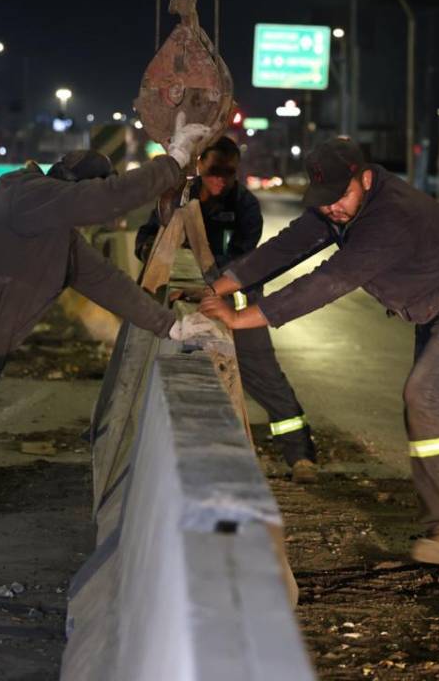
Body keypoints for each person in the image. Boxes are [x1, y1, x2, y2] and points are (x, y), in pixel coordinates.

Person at [0, 121, 218, 621]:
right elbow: (106, 201)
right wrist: (173, 162)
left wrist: (172, 328)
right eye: (83, 201)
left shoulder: (59, 236)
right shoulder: (28, 197)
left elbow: (111, 285)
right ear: (68, 189)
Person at [199, 137, 439, 572]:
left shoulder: (390, 216)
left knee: (425, 398)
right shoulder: (343, 206)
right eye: (323, 201)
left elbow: (330, 280)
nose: (331, 208)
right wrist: (220, 286)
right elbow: (288, 246)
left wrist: (244, 318)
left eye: (338, 197)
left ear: (365, 178)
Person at [135, 136, 318, 482]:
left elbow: (245, 261)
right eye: (214, 172)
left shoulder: (245, 205)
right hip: (180, 306)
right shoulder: (177, 200)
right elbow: (144, 240)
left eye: (228, 174)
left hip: (236, 303)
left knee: (263, 375)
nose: (220, 180)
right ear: (200, 164)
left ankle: (300, 456)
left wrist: (208, 284)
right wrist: (158, 254)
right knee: (177, 376)